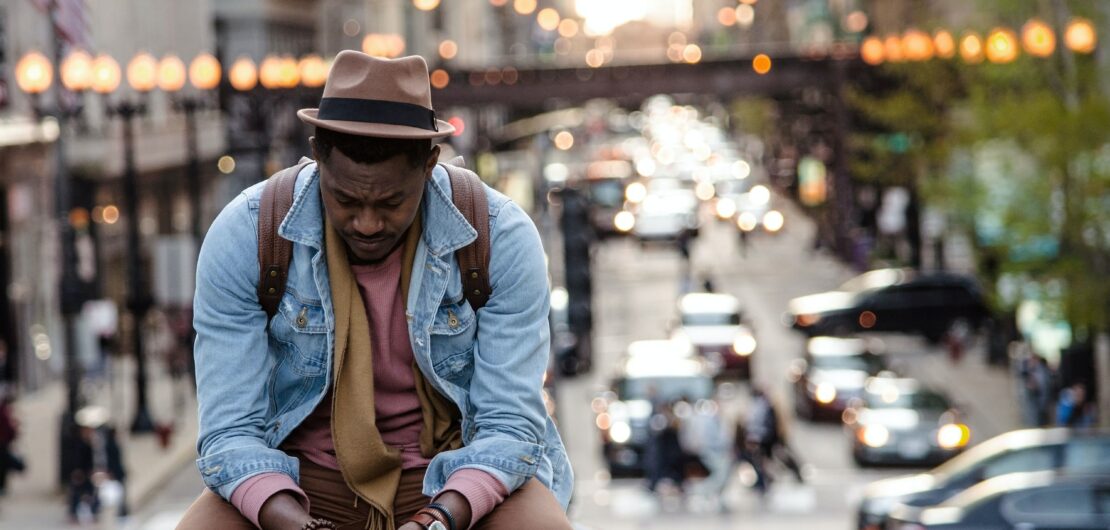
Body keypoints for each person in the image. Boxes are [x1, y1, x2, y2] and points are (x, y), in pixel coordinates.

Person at [179, 51, 572, 530]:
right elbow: (228, 432)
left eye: (390, 202)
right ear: (317, 153)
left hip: (454, 474)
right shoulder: (248, 235)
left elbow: (510, 427)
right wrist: (287, 518)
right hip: (295, 480)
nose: (366, 223)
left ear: (430, 164)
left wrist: (440, 518)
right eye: (345, 199)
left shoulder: (499, 236)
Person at [739, 387, 803, 495]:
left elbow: (756, 424)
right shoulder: (762, 405)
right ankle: (766, 481)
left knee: (775, 458)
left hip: (768, 437)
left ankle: (768, 481)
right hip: (768, 437)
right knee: (765, 460)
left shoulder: (760, 407)